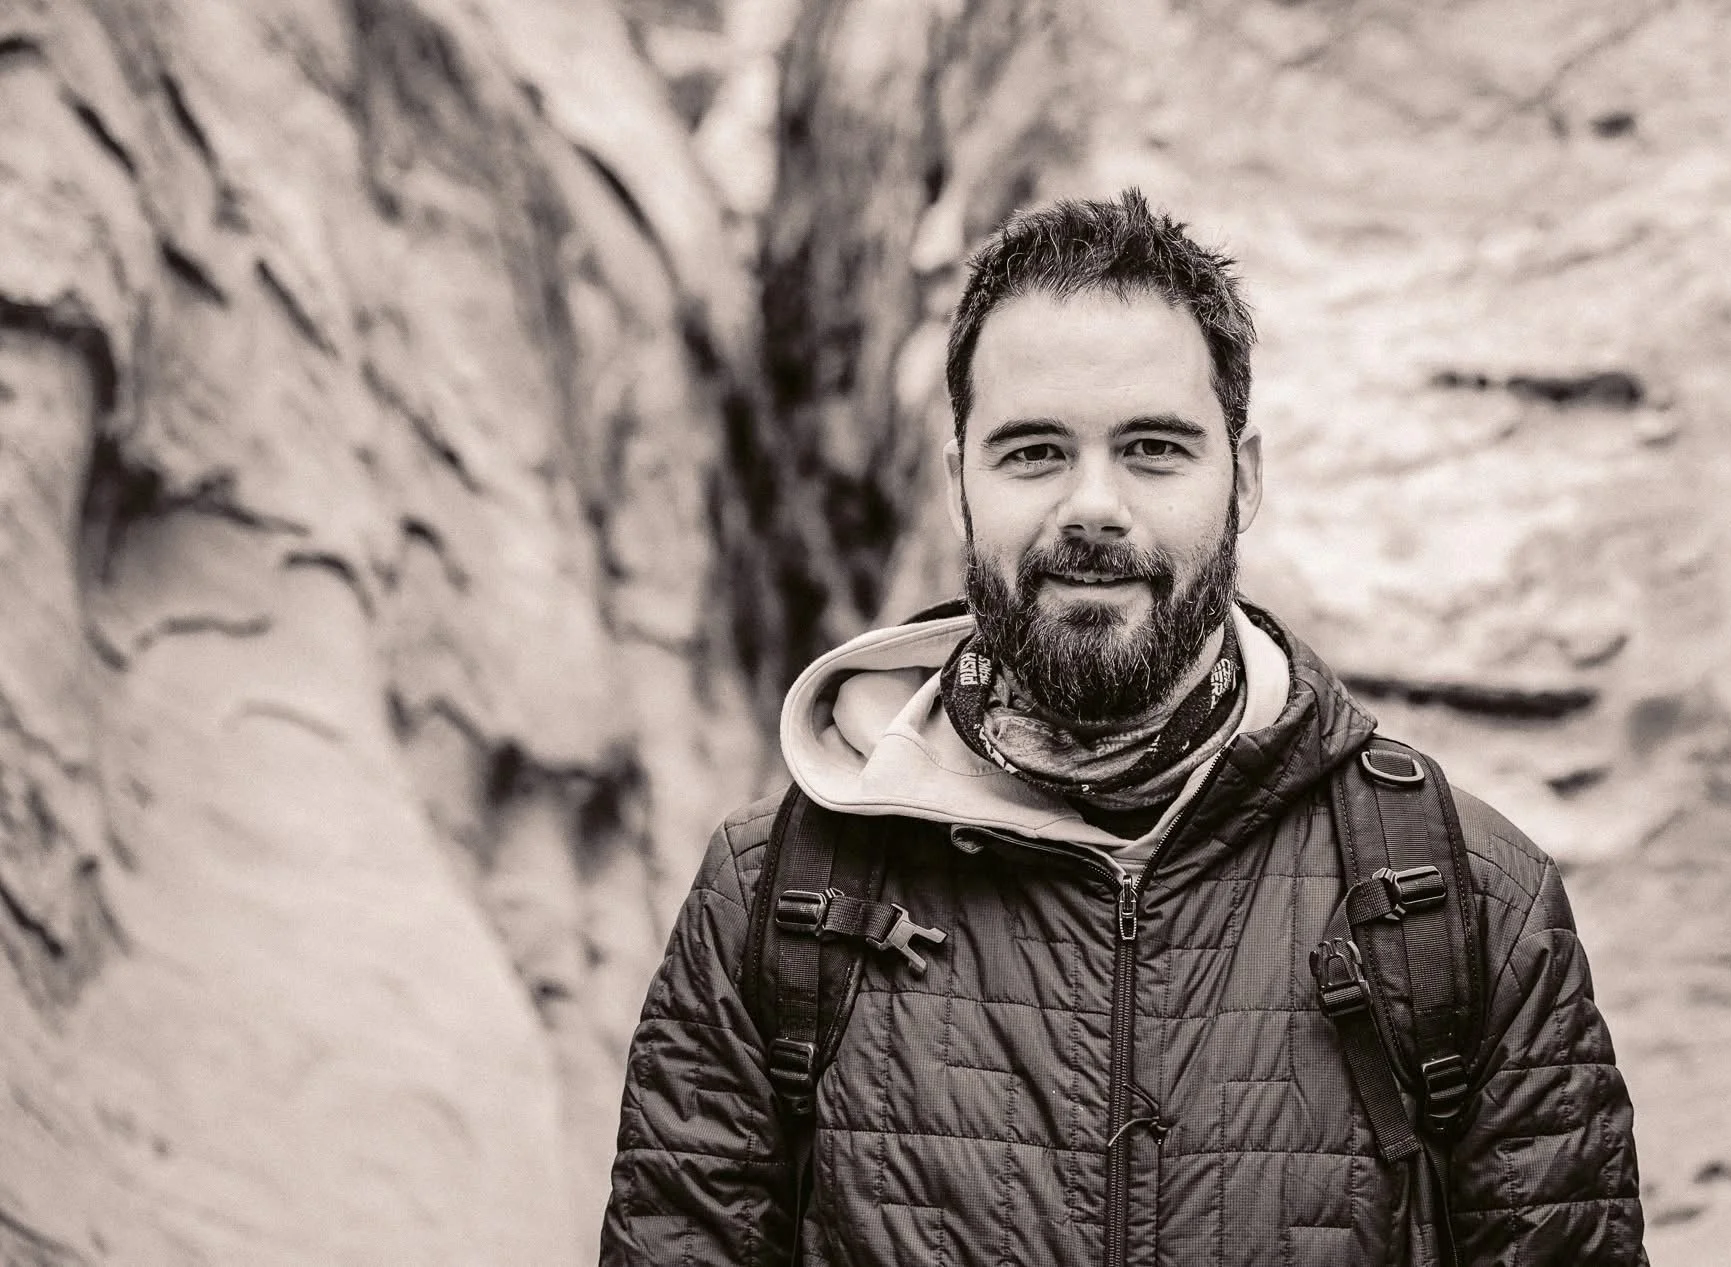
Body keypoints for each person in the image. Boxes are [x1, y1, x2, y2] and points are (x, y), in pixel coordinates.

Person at [599, 190, 1646, 1266]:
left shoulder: (1470, 904)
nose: (1092, 507)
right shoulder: (772, 899)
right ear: (959, 480)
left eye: (1152, 448)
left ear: (1244, 481)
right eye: (1033, 452)